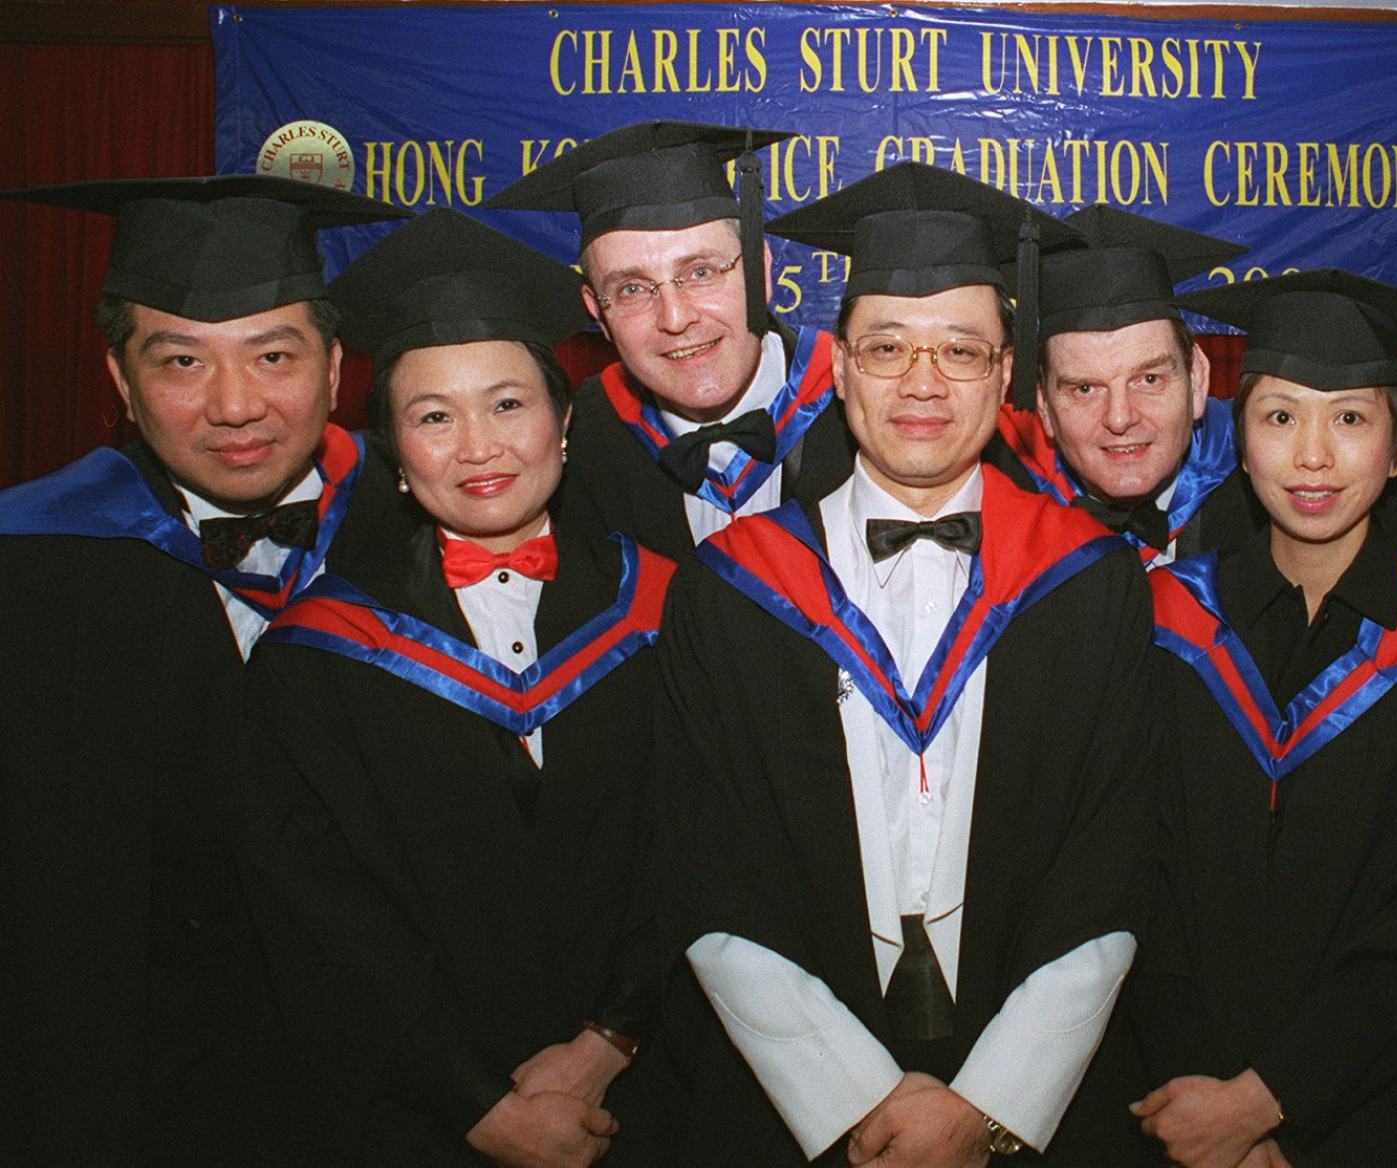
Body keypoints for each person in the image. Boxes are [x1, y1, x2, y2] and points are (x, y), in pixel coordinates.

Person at [658, 162, 1153, 1166]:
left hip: (1037, 1095)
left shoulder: (1093, 583)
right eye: (888, 348)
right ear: (838, 368)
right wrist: (853, 1101)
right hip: (794, 1095)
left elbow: (1113, 859)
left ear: (1006, 377)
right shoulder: (731, 589)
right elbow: (709, 864)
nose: (922, 382)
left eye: (960, 351)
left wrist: (992, 1102)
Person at [232, 208, 679, 1166]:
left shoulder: (671, 612)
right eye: (434, 416)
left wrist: (612, 1040)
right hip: (420, 1122)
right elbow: (322, 922)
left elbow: (708, 847)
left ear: (564, 420)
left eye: (509, 404)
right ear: (392, 454)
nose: (480, 446)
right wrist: (480, 1104)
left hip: (657, 1095)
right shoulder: (316, 659)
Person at [0, 175, 406, 1166]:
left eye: (273, 355)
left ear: (336, 364)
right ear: (120, 378)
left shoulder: (424, 541)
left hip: (403, 1099)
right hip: (128, 1101)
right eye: (182, 360)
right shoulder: (31, 567)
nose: (235, 405)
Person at [1133, 269, 1397, 1167]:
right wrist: (1205, 1104)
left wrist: (1268, 1105)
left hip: (1377, 1118)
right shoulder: (1164, 629)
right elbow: (1138, 881)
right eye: (1279, 416)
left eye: (1350, 418)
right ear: (1237, 440)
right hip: (1176, 1106)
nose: (1312, 455)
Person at [488, 119, 853, 560]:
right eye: (632, 289)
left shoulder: (865, 410)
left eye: (701, 272)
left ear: (759, 270)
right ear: (597, 313)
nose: (675, 319)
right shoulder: (573, 443)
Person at [987, 205, 1258, 566]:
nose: (1119, 418)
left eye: (1149, 379)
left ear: (1197, 381)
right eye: (1084, 389)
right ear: (1044, 406)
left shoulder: (1271, 504)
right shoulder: (994, 508)